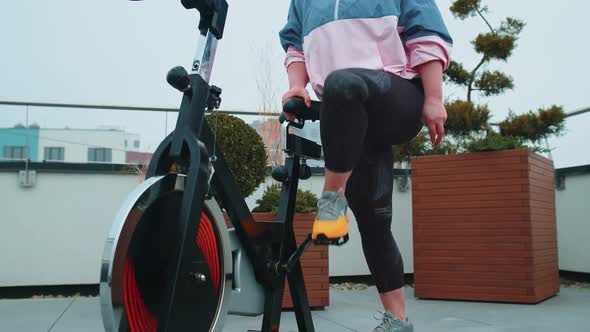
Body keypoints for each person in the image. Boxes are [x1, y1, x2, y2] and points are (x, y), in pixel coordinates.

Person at [279, 1, 452, 331]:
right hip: (345, 113)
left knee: (342, 84)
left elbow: (426, 32)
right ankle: (398, 322)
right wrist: (297, 84)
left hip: (395, 93)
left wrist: (433, 97)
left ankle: (331, 202)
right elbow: (295, 43)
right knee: (375, 223)